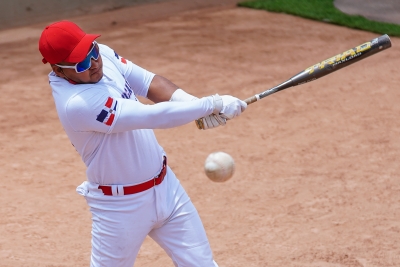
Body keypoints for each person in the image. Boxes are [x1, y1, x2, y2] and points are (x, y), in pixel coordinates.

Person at [38, 20, 246, 267]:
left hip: (167, 187)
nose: (93, 63)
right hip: (120, 208)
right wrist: (211, 104)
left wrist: (194, 104)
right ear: (59, 70)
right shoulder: (77, 104)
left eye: (92, 51)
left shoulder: (101, 54)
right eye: (81, 63)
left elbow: (149, 83)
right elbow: (152, 115)